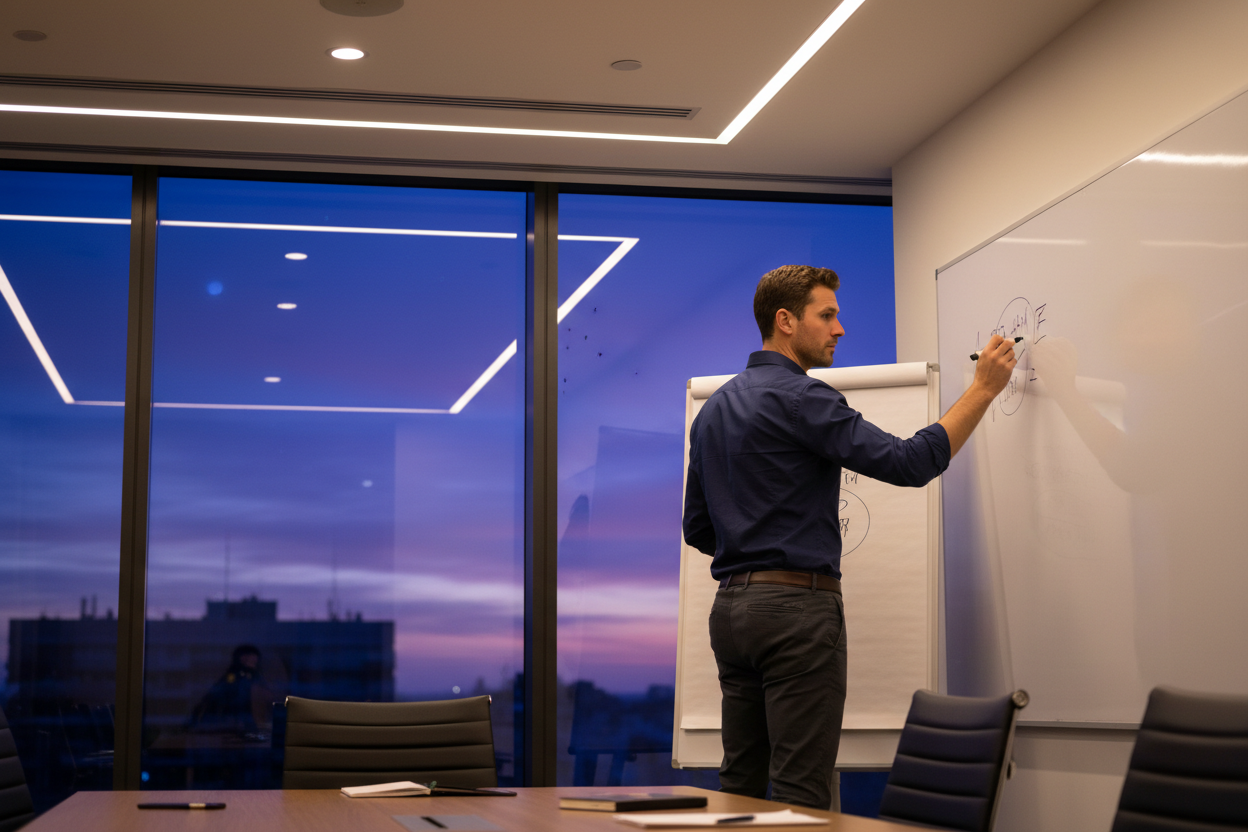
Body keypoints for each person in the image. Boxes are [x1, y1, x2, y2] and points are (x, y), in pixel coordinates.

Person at [682, 265, 1016, 809]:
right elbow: (910, 462)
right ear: (785, 321)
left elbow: (698, 527)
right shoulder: (803, 399)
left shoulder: (714, 409)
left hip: (732, 613)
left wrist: (751, 549)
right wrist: (982, 390)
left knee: (740, 784)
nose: (840, 329)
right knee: (800, 792)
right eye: (828, 314)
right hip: (795, 609)